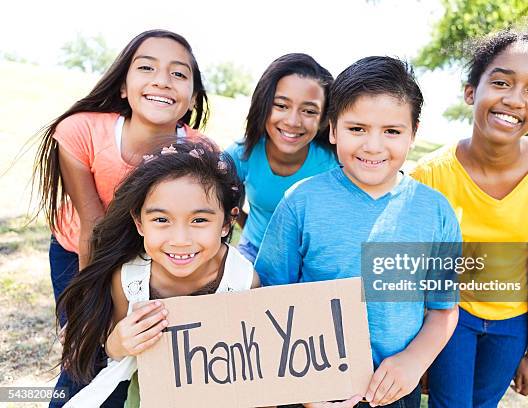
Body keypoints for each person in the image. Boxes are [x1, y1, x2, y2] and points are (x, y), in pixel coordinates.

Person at [255, 56, 460, 408]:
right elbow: (268, 300)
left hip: (393, 389)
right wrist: (298, 385)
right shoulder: (301, 202)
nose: (373, 146)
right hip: (311, 388)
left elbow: (443, 310)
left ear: (413, 134)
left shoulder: (436, 212)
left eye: (392, 131)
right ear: (333, 129)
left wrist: (413, 363)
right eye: (357, 129)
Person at [411, 16, 528, 407]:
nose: (515, 100)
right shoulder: (430, 175)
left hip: (511, 326)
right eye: (502, 82)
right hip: (451, 317)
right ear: (472, 92)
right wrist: (418, 350)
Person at [54, 142, 257, 407]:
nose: (181, 240)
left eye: (199, 221)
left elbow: (250, 363)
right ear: (139, 223)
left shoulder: (242, 280)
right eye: (161, 220)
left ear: (226, 223)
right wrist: (118, 343)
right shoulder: (129, 279)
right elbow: (111, 353)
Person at [33, 29, 216, 311]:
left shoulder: (203, 152)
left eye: (179, 74)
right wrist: (90, 317)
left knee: (147, 345)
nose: (162, 81)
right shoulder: (80, 131)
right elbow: (93, 227)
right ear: (122, 86)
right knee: (88, 347)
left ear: (193, 98)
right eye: (146, 67)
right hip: (78, 249)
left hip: (153, 255)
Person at [225, 53, 338, 263]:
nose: (293, 121)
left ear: (323, 119)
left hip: (309, 260)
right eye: (281, 106)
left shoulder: (333, 164)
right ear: (264, 105)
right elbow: (219, 205)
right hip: (253, 252)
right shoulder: (241, 154)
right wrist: (249, 227)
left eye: (309, 111)